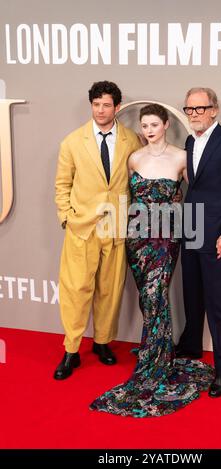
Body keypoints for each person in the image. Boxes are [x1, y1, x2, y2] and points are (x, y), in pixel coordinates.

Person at [89, 103, 214, 417]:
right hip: (137, 237)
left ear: (167, 124)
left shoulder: (181, 157)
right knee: (148, 299)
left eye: (154, 125)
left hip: (166, 238)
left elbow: (198, 194)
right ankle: (154, 347)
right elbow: (125, 197)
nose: (148, 131)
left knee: (155, 294)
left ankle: (156, 362)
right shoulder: (134, 159)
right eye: (144, 126)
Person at [54, 81, 141, 380]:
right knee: (76, 290)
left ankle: (103, 342)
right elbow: (62, 184)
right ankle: (71, 350)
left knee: (110, 289)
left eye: (106, 105)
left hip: (115, 227)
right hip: (82, 227)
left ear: (117, 107)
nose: (100, 110)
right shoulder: (72, 142)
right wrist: (66, 217)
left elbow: (137, 180)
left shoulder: (133, 140)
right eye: (96, 104)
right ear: (91, 105)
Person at [176, 87, 221, 397]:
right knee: (191, 296)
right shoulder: (190, 141)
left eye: (200, 108)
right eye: (190, 109)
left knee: (218, 306)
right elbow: (194, 187)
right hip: (190, 229)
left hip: (217, 234)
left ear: (215, 110)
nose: (194, 114)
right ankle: (191, 347)